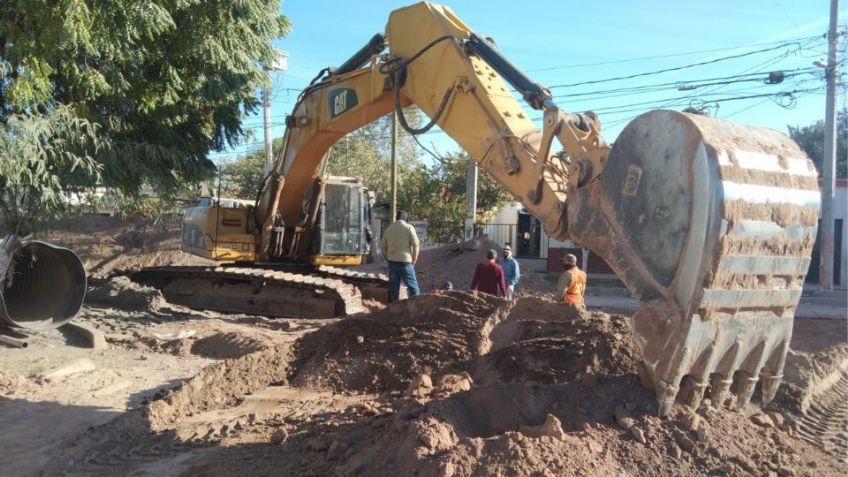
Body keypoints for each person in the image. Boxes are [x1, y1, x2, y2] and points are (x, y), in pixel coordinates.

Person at [380, 210, 420, 303]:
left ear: (397, 218)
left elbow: (382, 246)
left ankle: (395, 309)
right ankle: (418, 307)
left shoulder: (389, 229)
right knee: (413, 288)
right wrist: (414, 258)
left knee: (394, 289)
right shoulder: (409, 228)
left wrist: (388, 257)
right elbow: (416, 244)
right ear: (405, 218)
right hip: (405, 263)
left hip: (392, 263)